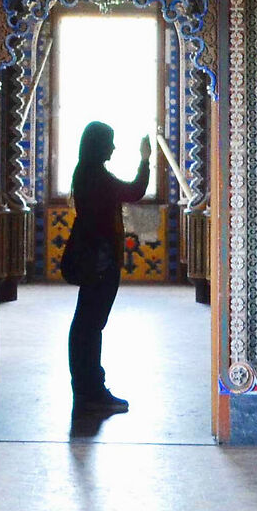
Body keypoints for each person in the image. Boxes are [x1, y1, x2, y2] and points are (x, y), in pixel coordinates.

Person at [64, 121, 162, 413]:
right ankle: (91, 390)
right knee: (90, 325)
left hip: (96, 257)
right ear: (98, 145)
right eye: (110, 142)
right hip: (100, 260)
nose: (114, 147)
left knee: (87, 324)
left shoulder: (88, 172)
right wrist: (145, 159)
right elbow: (134, 191)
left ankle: (87, 387)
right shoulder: (95, 176)